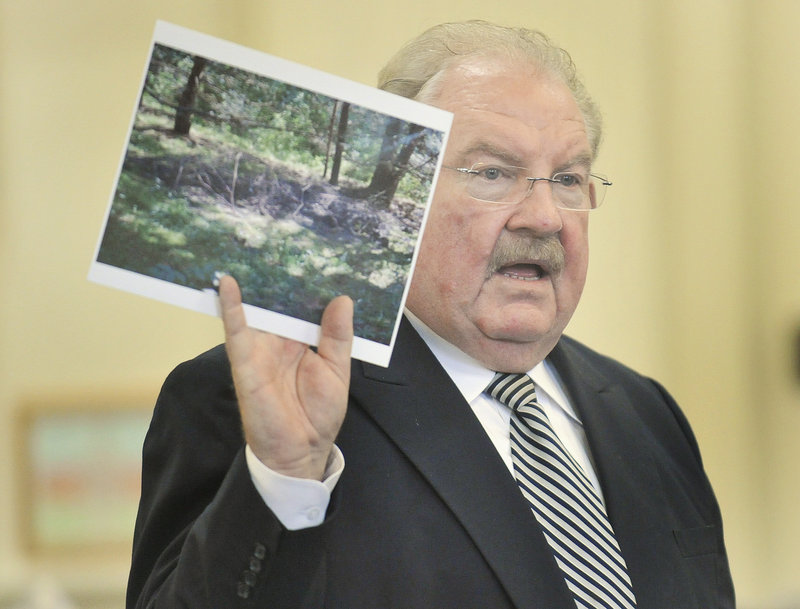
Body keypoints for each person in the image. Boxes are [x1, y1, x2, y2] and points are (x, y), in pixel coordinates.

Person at [126, 20, 735, 609]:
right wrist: (283, 478)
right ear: (400, 200)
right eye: (494, 173)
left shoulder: (647, 414)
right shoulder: (251, 401)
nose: (545, 216)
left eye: (569, 179)